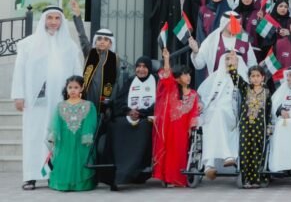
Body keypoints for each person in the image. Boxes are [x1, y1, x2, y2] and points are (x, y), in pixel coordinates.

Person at [12, 6, 83, 190]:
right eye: (49, 18)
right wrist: (18, 95)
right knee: (35, 136)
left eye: (57, 18)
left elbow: (77, 73)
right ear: (44, 19)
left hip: (61, 101)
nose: (53, 22)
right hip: (36, 101)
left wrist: (78, 95)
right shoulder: (28, 44)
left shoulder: (70, 46)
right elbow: (19, 71)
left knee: (57, 137)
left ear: (61, 22)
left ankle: (54, 174)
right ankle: (31, 176)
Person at [189, 11, 257, 179]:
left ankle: (209, 162)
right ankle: (225, 157)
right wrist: (196, 51)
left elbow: (252, 67)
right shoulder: (212, 40)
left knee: (216, 114)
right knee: (212, 116)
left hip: (233, 109)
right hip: (214, 101)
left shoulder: (244, 42)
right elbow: (199, 65)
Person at [98, 56, 156, 191]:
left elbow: (160, 102)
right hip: (129, 115)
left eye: (144, 67)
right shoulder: (130, 81)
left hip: (147, 117)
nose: (141, 69)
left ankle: (131, 170)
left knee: (144, 126)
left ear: (149, 68)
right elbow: (119, 101)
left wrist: (141, 113)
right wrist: (128, 111)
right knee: (115, 125)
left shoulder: (156, 82)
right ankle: (115, 171)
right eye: (138, 66)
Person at [152, 47, 199, 187]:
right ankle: (167, 178)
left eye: (188, 74)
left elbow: (193, 112)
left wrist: (191, 127)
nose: (188, 77)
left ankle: (178, 178)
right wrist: (166, 59)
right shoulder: (171, 87)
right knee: (169, 153)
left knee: (179, 153)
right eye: (184, 74)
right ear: (177, 78)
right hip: (169, 126)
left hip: (182, 129)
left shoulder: (193, 94)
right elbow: (166, 75)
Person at [227, 52, 272, 188]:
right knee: (245, 151)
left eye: (258, 76)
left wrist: (269, 126)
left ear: (263, 77)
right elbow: (235, 77)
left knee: (258, 151)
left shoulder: (267, 92)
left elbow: (268, 111)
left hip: (260, 127)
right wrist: (233, 65)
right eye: (253, 76)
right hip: (246, 126)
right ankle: (246, 179)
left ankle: (256, 179)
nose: (255, 78)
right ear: (249, 78)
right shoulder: (245, 88)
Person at [47, 75, 97, 192]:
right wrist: (53, 136)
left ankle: (80, 185)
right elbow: (56, 123)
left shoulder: (88, 105)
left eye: (76, 87)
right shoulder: (61, 105)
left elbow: (90, 122)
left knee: (80, 159)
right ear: (66, 88)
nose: (72, 90)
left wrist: (86, 136)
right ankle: (64, 184)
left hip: (81, 139)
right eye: (70, 87)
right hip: (65, 139)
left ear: (82, 88)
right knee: (65, 160)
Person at [70, 0, 119, 115]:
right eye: (99, 39)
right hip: (88, 97)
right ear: (95, 41)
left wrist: (111, 102)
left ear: (110, 43)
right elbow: (82, 36)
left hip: (105, 101)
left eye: (106, 40)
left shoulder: (114, 59)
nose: (102, 41)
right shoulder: (89, 52)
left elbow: (116, 82)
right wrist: (78, 16)